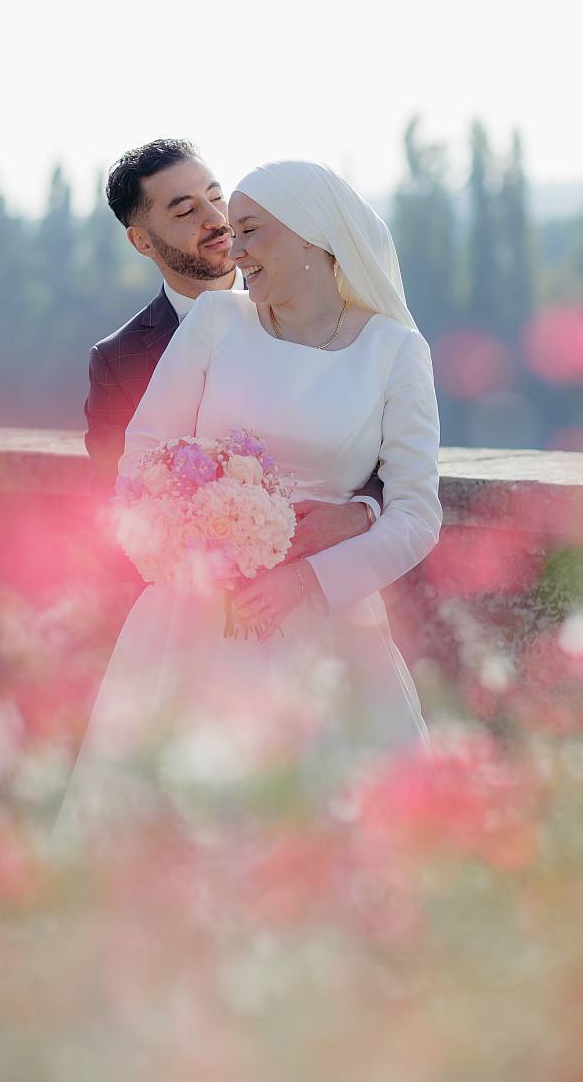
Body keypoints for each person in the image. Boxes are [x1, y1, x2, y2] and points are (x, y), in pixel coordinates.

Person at [56, 160, 442, 840]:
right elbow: (142, 460)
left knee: (321, 835)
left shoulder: (395, 351)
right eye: (231, 231)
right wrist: (199, 544)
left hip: (329, 630)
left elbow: (417, 513)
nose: (234, 249)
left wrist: (309, 580)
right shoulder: (216, 321)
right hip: (191, 622)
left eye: (251, 230)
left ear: (312, 235)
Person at [85, 140, 383, 598]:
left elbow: (391, 457)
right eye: (186, 211)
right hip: (192, 605)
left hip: (325, 587)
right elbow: (121, 507)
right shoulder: (117, 360)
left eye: (215, 196)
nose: (215, 219)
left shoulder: (320, 306)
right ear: (142, 241)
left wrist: (361, 510)